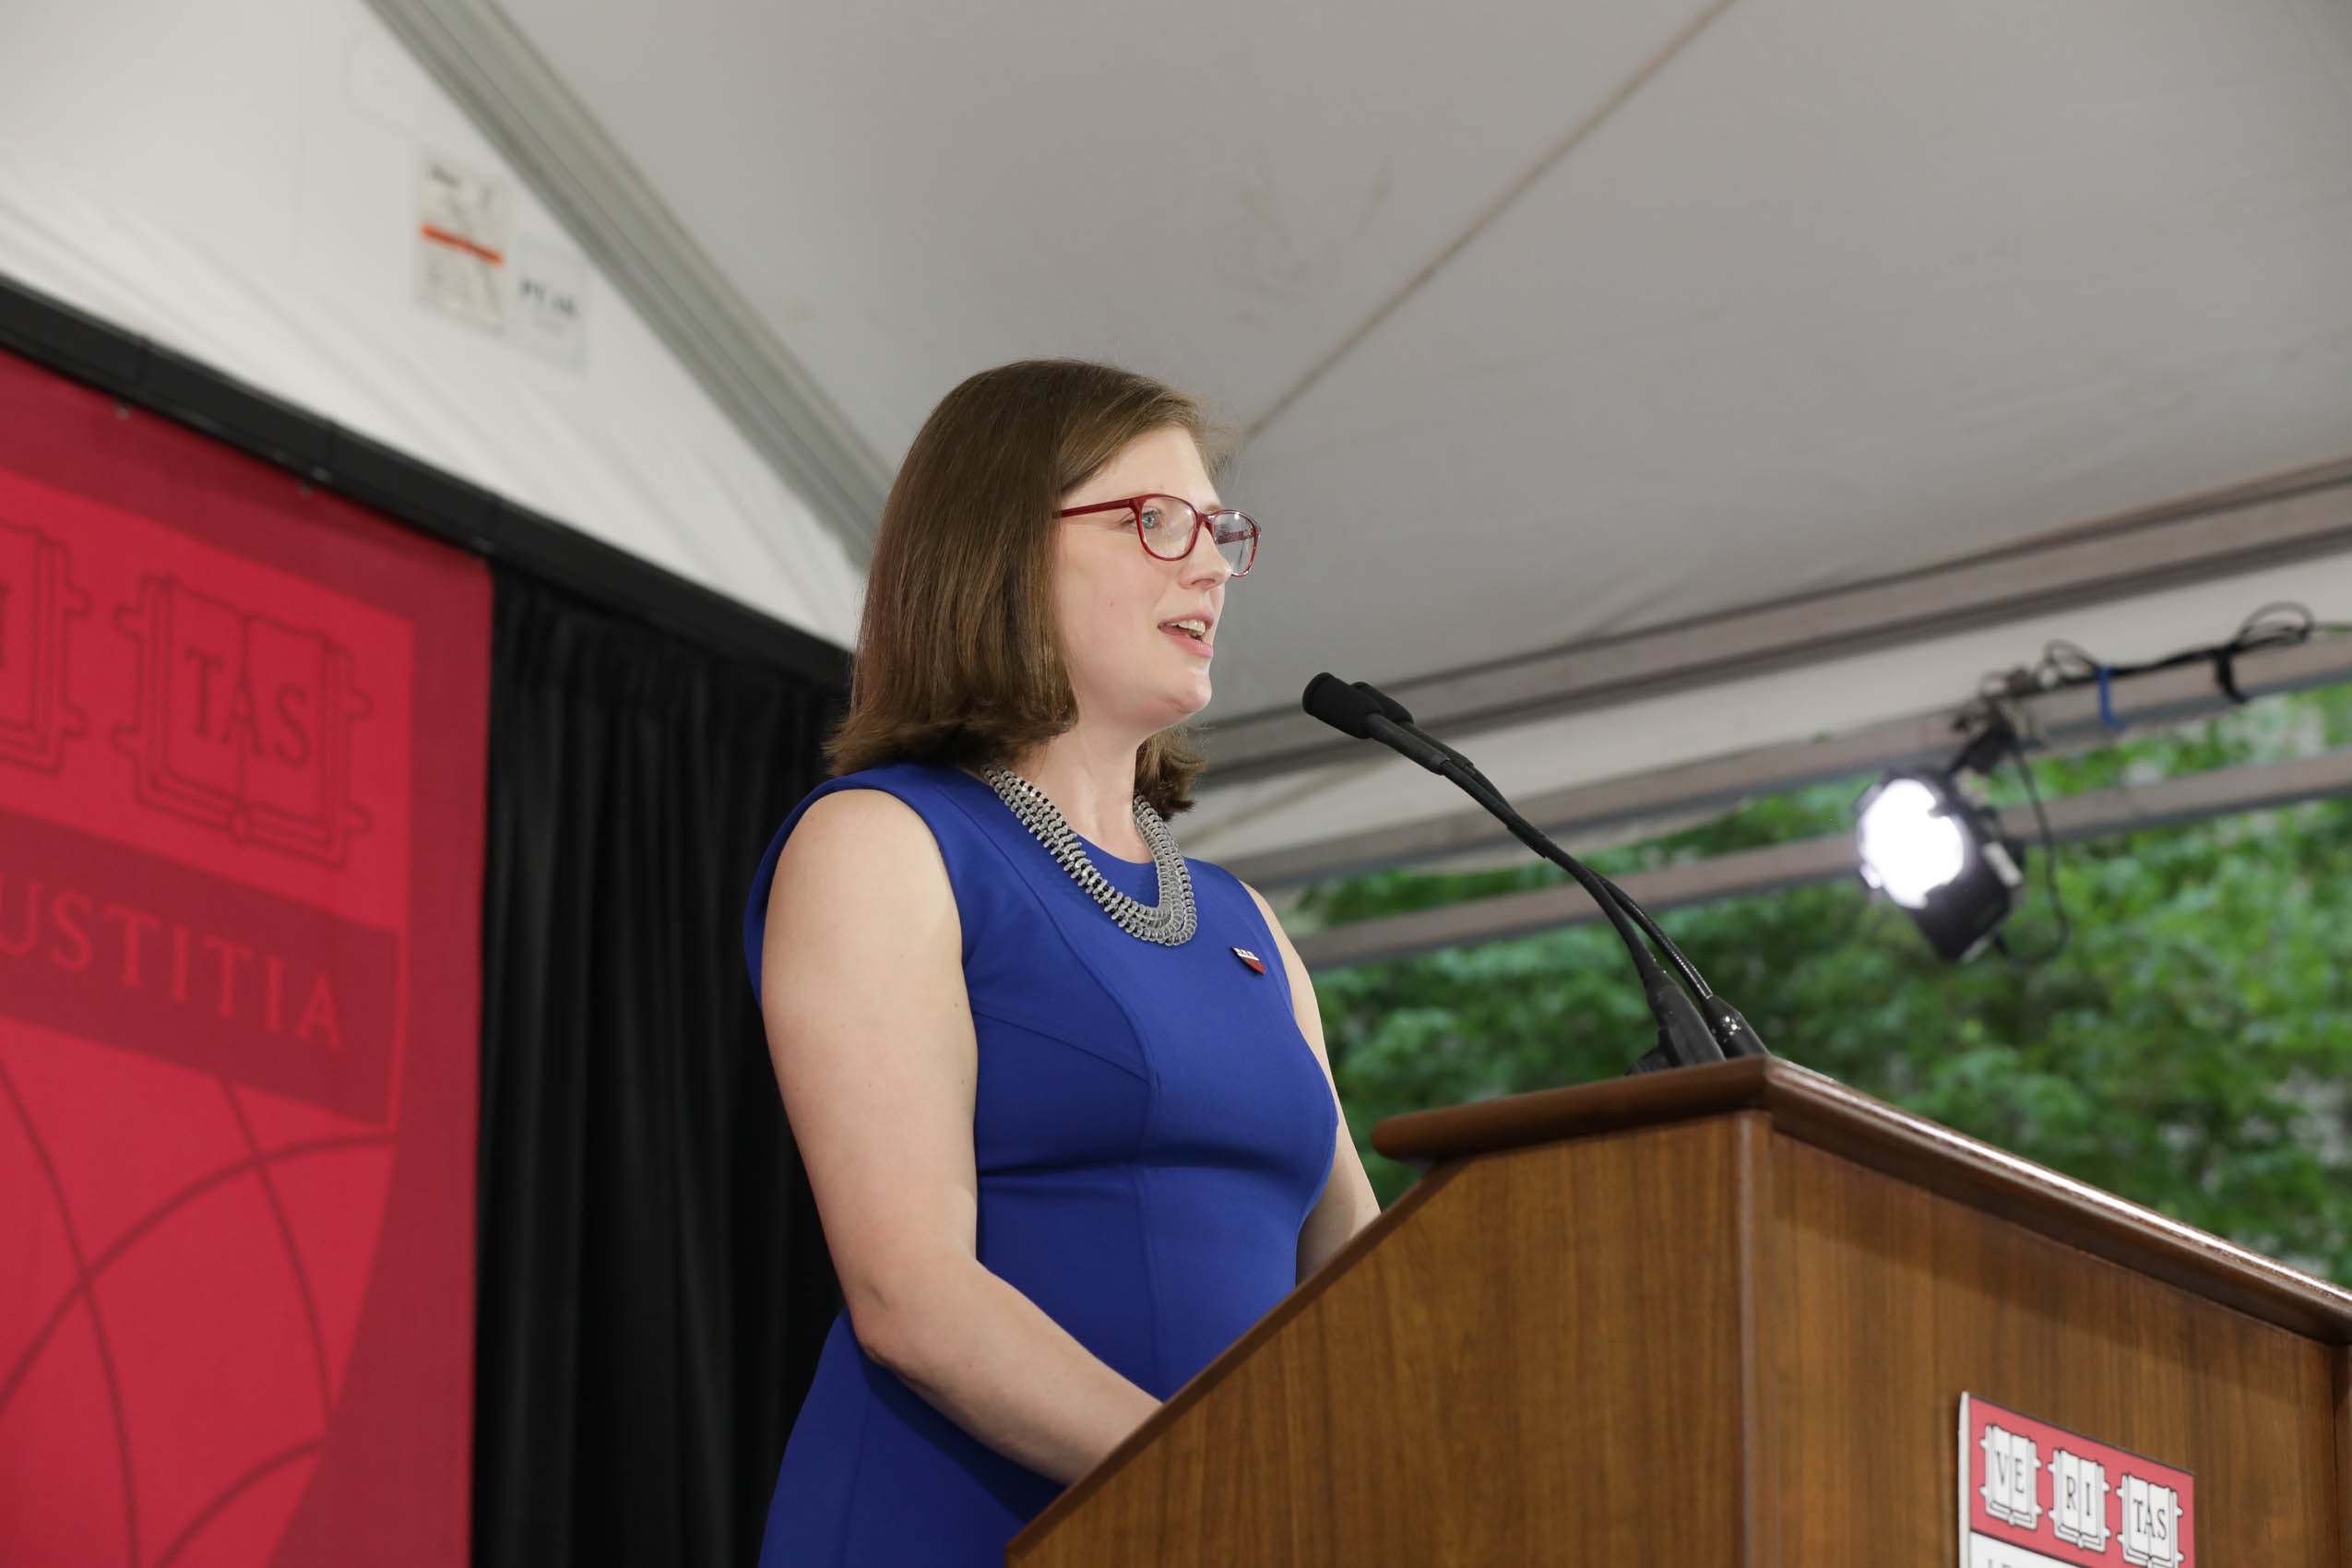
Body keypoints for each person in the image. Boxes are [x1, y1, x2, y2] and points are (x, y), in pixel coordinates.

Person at [740, 359, 1382, 1563]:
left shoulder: (1245, 922)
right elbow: (911, 1298)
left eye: (1217, 530)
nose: (1208, 565)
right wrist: (1232, 1486)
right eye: (1156, 521)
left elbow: (1365, 1288)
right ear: (1000, 552)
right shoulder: (884, 842)